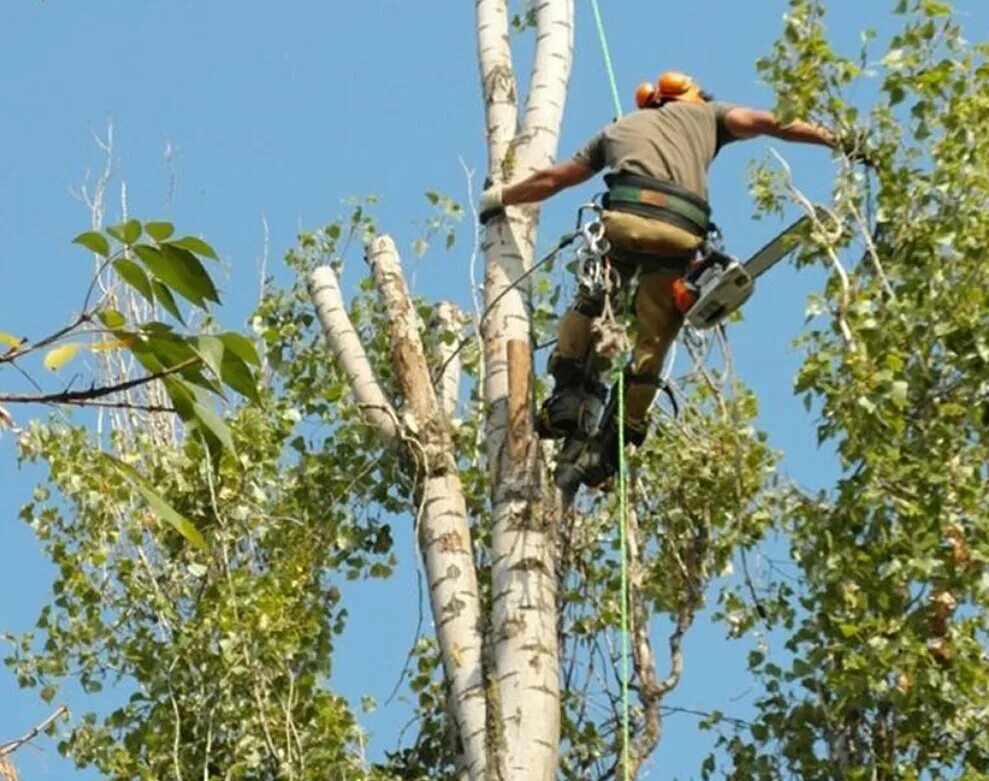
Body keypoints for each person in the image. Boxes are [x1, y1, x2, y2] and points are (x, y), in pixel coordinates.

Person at [479, 71, 847, 493]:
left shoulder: (617, 127)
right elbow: (772, 123)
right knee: (653, 342)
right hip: (678, 234)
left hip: (622, 224)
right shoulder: (709, 113)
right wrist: (836, 138)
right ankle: (609, 448)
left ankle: (568, 401)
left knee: (592, 303)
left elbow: (552, 179)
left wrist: (499, 198)